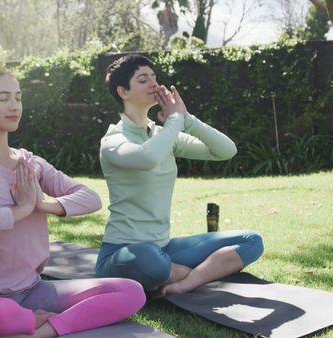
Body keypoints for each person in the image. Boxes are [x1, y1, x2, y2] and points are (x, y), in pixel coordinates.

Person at [0, 65, 146, 338]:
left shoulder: (30, 163)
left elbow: (91, 198)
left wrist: (43, 205)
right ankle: (26, 321)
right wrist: (22, 209)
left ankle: (43, 329)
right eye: (3, 98)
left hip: (33, 291)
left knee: (131, 291)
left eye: (18, 97)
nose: (14, 106)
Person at [94, 54, 264, 297]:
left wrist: (187, 120)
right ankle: (199, 273)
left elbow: (226, 151)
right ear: (123, 91)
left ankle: (184, 282)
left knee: (251, 240)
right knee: (148, 259)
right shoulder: (113, 140)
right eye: (143, 80)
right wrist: (174, 120)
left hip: (165, 248)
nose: (154, 83)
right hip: (123, 253)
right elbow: (147, 157)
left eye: (154, 77)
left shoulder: (163, 134)